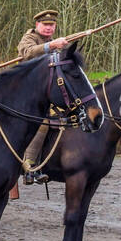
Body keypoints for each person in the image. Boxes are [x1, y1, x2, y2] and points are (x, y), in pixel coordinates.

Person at [15, 9, 73, 185]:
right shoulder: (29, 38)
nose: (48, 28)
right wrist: (52, 46)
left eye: (52, 25)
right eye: (45, 25)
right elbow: (28, 52)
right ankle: (30, 166)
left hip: (47, 92)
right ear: (37, 25)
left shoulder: (52, 41)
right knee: (43, 124)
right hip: (26, 91)